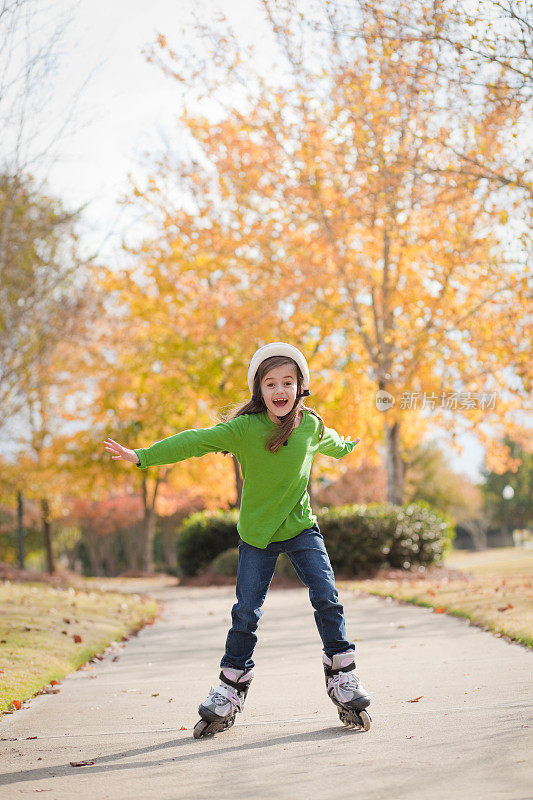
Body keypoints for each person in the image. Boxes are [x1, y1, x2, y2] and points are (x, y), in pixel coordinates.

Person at [103, 342, 371, 736]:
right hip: (257, 536)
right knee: (246, 611)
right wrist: (142, 455)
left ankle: (342, 674)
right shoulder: (244, 429)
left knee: (327, 596)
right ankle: (231, 687)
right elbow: (194, 441)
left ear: (300, 387)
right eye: (270, 383)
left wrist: (350, 445)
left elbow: (334, 444)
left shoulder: (310, 426)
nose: (280, 391)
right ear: (259, 391)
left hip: (300, 528)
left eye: (288, 382)